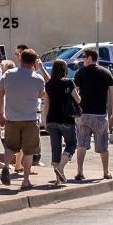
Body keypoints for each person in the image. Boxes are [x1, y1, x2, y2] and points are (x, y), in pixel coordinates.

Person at [0, 49, 48, 191]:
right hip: (30, 118)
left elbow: (0, 94)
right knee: (29, 150)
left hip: (12, 117)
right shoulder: (37, 78)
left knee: (10, 146)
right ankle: (25, 180)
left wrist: (1, 113)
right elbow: (41, 95)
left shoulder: (8, 74)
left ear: (21, 60)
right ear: (34, 63)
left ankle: (6, 166)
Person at [73, 47, 113, 182]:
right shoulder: (106, 73)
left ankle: (79, 171)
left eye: (84, 57)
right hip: (100, 115)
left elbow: (75, 93)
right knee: (103, 145)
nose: (82, 60)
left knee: (81, 144)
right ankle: (106, 172)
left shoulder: (80, 73)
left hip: (83, 114)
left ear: (90, 58)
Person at [44, 59, 81, 187]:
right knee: (72, 144)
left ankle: (58, 180)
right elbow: (78, 99)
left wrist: (45, 121)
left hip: (52, 120)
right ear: (64, 70)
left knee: (56, 149)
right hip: (66, 120)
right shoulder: (69, 82)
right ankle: (60, 167)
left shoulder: (48, 84)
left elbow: (46, 104)